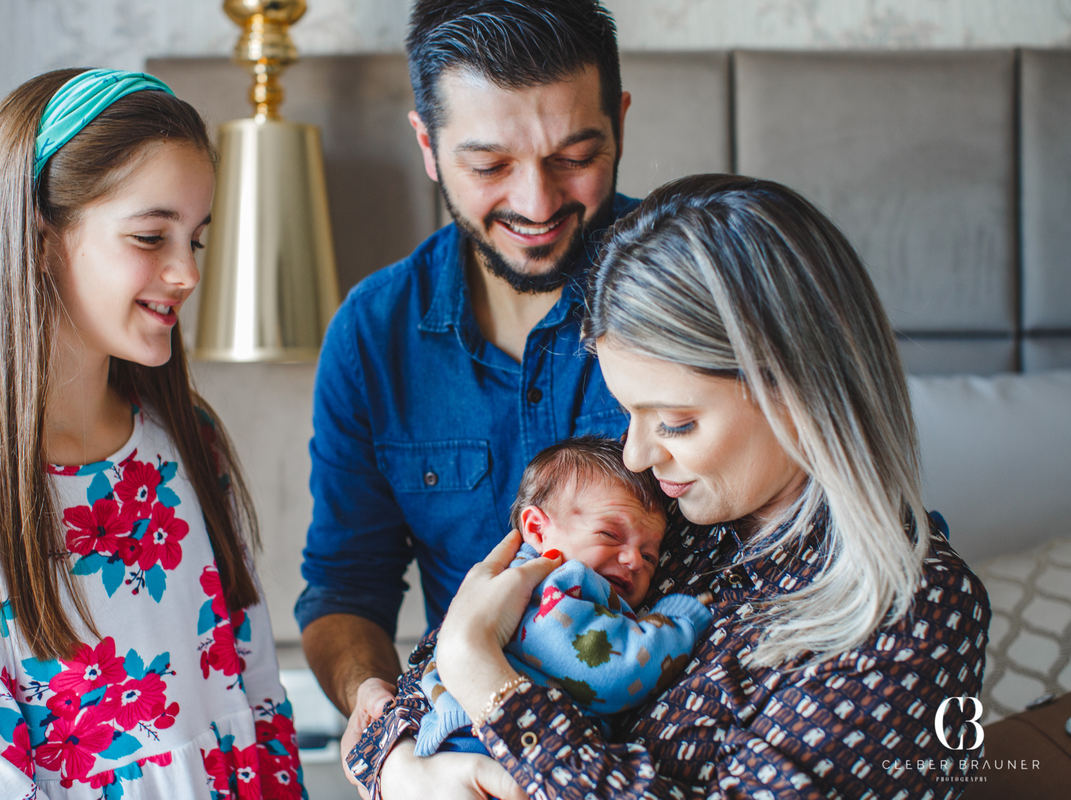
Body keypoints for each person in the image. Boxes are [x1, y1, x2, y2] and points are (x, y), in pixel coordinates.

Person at [349, 174, 992, 798]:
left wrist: (488, 684)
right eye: (629, 412)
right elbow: (427, 669)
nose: (636, 454)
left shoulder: (916, 613)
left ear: (800, 388)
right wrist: (400, 772)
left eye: (676, 423)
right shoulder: (657, 513)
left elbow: (469, 648)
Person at [0, 68, 305, 799]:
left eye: (195, 240)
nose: (186, 273)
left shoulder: (190, 440)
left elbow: (262, 702)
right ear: (41, 237)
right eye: (150, 236)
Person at [296, 0, 638, 770]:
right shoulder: (372, 334)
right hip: (470, 757)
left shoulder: (702, 295)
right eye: (489, 167)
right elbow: (344, 589)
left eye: (574, 157)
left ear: (618, 123)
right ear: (428, 145)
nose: (537, 204)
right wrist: (375, 706)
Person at [399, 436, 712, 759]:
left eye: (649, 556)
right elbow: (616, 673)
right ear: (537, 530)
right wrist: (677, 620)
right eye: (610, 534)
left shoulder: (499, 586)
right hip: (487, 745)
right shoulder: (556, 588)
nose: (634, 559)